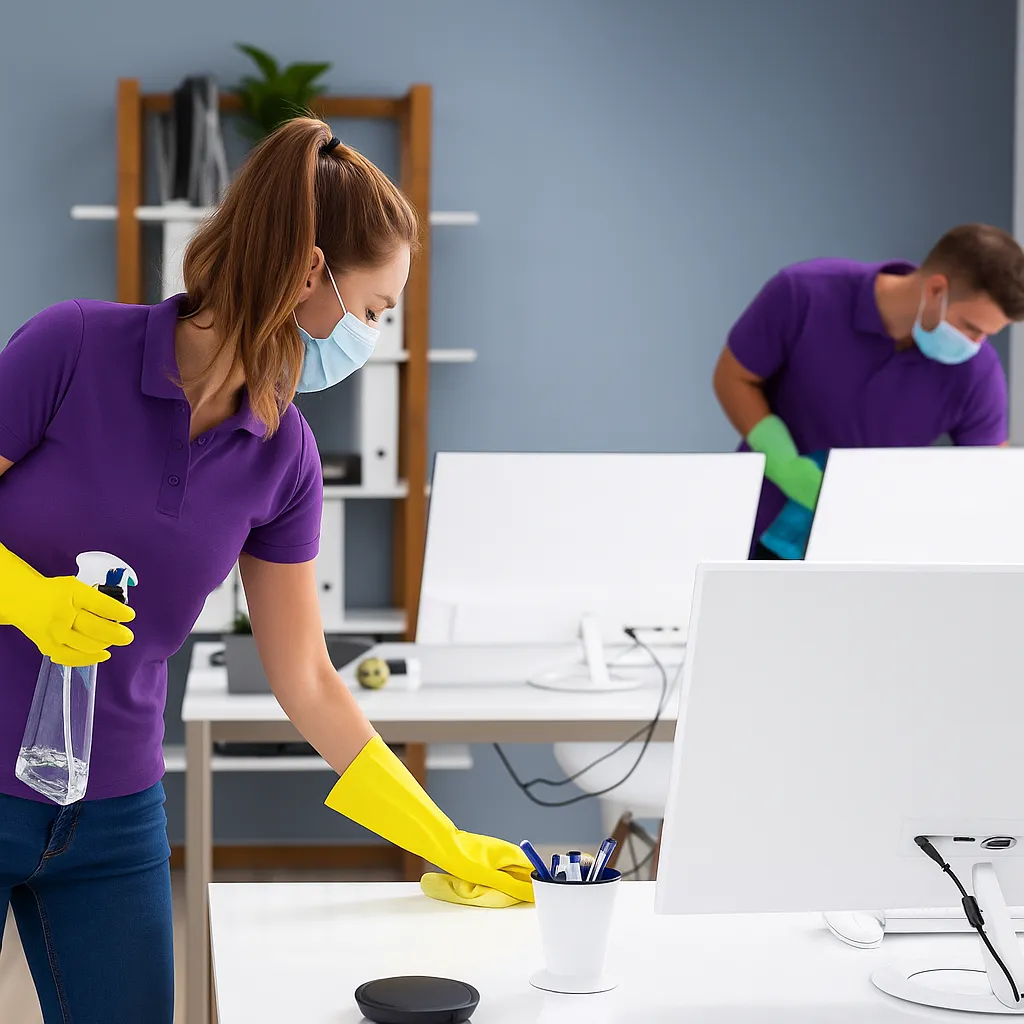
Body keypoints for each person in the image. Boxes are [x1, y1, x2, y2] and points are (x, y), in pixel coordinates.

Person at [0, 119, 530, 1024]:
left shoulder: (284, 456)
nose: (373, 336)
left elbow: (308, 680)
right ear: (307, 273)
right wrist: (23, 596)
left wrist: (438, 838)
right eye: (373, 310)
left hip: (113, 813)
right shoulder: (73, 348)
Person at [713, 224, 1024, 558]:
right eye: (971, 328)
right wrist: (785, 465)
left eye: (987, 335)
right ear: (936, 289)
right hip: (751, 530)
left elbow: (989, 482)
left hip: (870, 550)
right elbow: (734, 377)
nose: (976, 345)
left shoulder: (977, 372)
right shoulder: (804, 293)